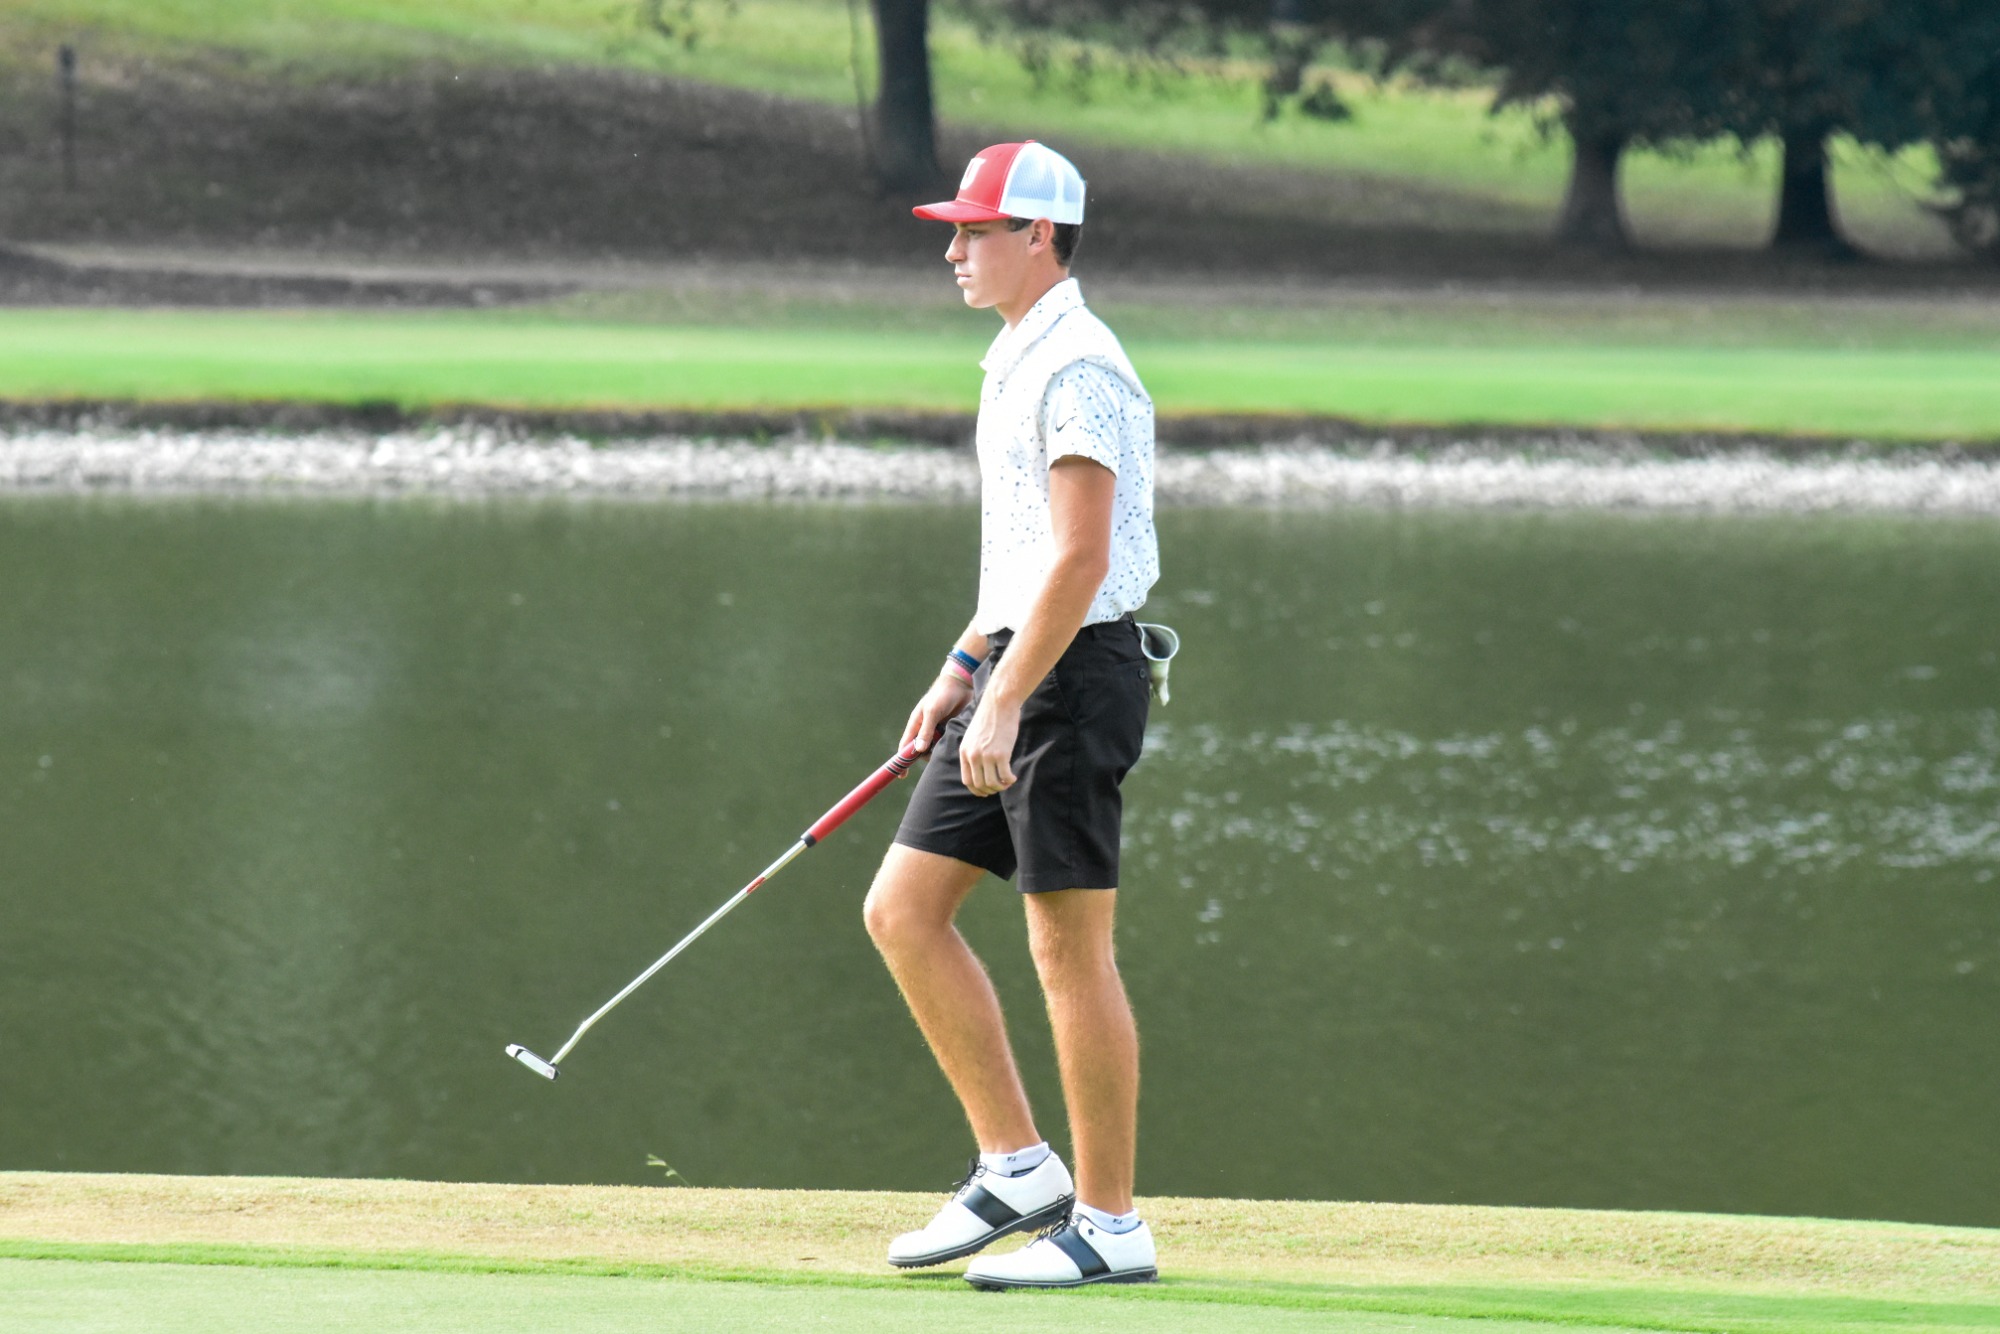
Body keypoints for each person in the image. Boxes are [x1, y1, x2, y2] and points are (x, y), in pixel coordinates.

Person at [863, 140, 1161, 1290]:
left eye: (974, 231)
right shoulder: (1015, 353)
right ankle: (1016, 1166)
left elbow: (1082, 557)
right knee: (903, 910)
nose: (953, 250)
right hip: (1016, 669)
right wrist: (960, 667)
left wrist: (1011, 697)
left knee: (1066, 950)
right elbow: (1025, 556)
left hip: (1073, 683)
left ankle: (1109, 1222)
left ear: (1037, 235)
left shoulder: (1078, 362)